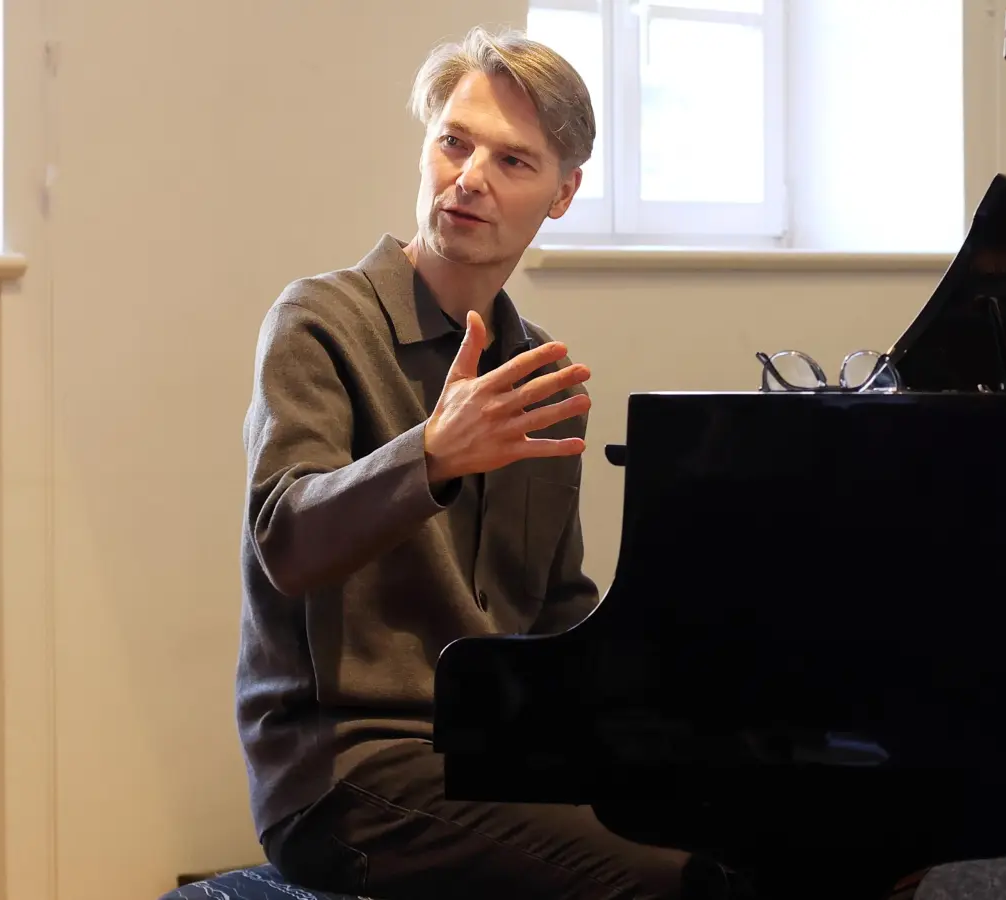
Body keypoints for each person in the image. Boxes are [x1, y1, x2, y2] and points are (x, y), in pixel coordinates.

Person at [234, 25, 752, 900]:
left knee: (802, 841)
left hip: (507, 752)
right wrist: (429, 457)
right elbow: (284, 544)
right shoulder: (320, 320)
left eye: (514, 162)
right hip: (348, 771)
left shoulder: (536, 370)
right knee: (678, 881)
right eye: (454, 142)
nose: (470, 177)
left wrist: (685, 705)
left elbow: (556, 612)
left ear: (563, 193)